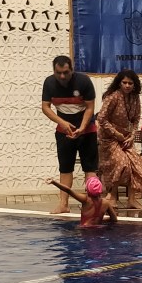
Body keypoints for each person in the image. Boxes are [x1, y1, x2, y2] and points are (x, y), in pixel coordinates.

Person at [41, 55, 97, 214]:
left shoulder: (84, 81)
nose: (62, 76)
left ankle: (92, 204)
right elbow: (45, 107)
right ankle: (63, 204)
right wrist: (62, 123)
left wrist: (82, 128)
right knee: (65, 168)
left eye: (65, 72)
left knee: (90, 168)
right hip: (63, 132)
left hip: (87, 131)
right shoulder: (49, 83)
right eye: (58, 73)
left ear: (72, 70)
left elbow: (90, 107)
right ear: (54, 71)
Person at [96, 68, 142, 210]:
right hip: (109, 139)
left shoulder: (135, 98)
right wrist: (116, 134)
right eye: (124, 82)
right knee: (122, 164)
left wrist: (132, 135)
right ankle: (112, 197)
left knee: (135, 165)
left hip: (126, 138)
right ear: (119, 83)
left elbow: (136, 119)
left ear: (135, 85)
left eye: (130, 83)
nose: (127, 85)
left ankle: (132, 200)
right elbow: (101, 118)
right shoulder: (113, 96)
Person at [47, 176, 117, 228]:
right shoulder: (106, 203)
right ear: (100, 190)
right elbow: (114, 219)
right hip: (98, 229)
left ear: (87, 189)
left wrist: (54, 182)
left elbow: (68, 190)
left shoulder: (86, 199)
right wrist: (100, 219)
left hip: (84, 229)